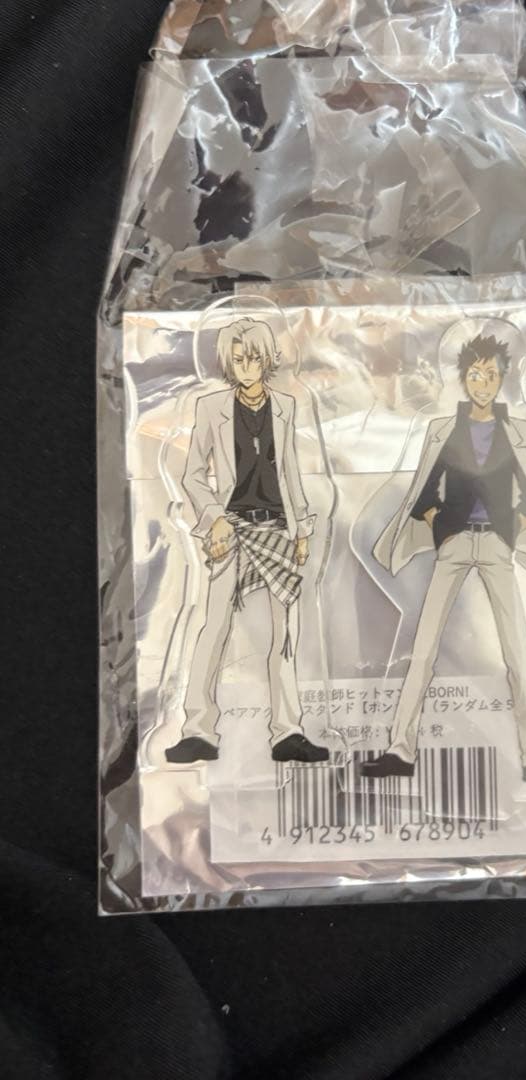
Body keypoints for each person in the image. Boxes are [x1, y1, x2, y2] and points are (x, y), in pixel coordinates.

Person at [365, 333, 526, 786]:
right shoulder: (443, 429)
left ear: (502, 379)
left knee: (518, 652)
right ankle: (400, 750)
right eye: (475, 375)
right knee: (423, 649)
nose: (482, 383)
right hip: (455, 542)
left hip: (497, 544)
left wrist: (513, 525)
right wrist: (439, 521)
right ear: (463, 378)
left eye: (491, 375)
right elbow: (425, 488)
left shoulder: (520, 432)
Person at [165, 318, 329, 765]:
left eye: (253, 358)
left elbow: (290, 472)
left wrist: (303, 528)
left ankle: (288, 732)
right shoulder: (211, 407)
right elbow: (192, 475)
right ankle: (198, 730)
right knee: (214, 625)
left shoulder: (285, 406)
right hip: (233, 528)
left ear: (267, 359)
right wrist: (215, 518)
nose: (246, 367)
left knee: (285, 635)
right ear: (228, 362)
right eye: (237, 359)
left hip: (278, 528)